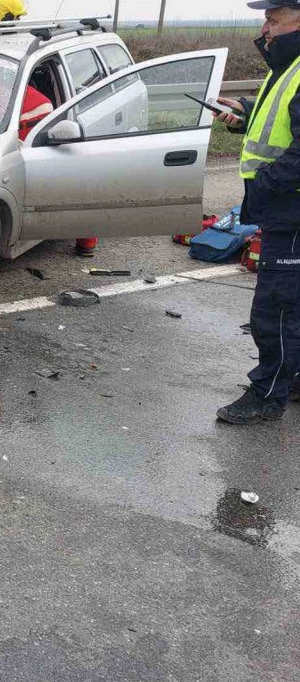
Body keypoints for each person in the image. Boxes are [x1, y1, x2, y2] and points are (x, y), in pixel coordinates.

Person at [214, 0, 300, 424]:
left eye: (274, 17)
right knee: (291, 305)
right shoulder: (286, 65)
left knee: (276, 308)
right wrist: (242, 115)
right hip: (285, 206)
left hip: (292, 209)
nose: (265, 26)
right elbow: (279, 123)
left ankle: (268, 395)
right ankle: (291, 376)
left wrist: (264, 186)